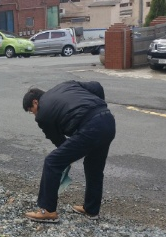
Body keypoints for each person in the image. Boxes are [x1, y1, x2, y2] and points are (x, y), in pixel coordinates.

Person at [22, 80, 116, 223]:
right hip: (107, 121)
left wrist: (67, 156)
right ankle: (91, 210)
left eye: (31, 111)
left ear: (35, 103)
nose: (33, 115)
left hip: (91, 127)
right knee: (94, 167)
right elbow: (97, 86)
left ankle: (47, 210)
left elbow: (57, 139)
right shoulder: (66, 85)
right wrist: (97, 108)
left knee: (52, 162)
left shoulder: (43, 114)